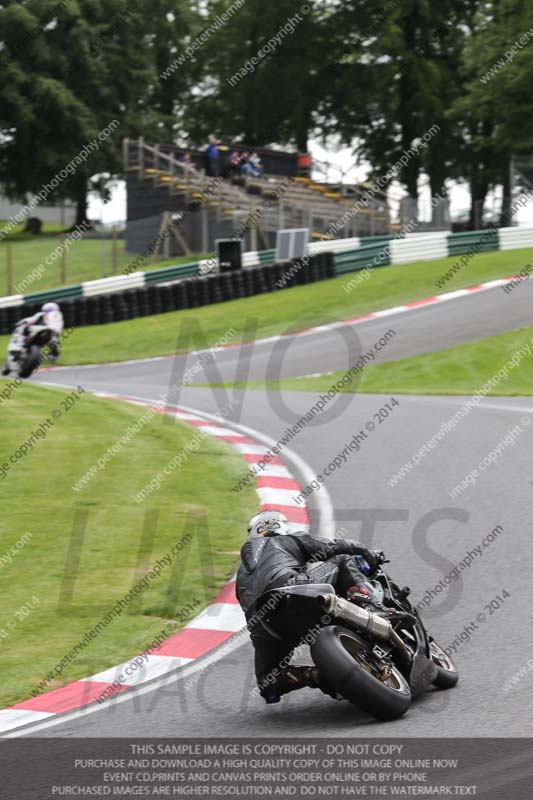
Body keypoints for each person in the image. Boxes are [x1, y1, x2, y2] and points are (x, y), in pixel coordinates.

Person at [236, 510, 386, 704]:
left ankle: (313, 675)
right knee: (343, 560)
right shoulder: (284, 539)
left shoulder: (241, 573)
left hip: (264, 626)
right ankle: (371, 606)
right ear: (276, 525)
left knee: (268, 684)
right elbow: (334, 546)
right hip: (291, 592)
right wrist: (366, 552)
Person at [4, 302, 64, 370]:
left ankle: (16, 344)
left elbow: (31, 319)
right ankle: (54, 355)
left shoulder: (42, 314)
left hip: (40, 332)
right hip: (49, 336)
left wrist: (22, 322)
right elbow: (58, 331)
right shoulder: (59, 316)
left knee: (22, 329)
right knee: (54, 342)